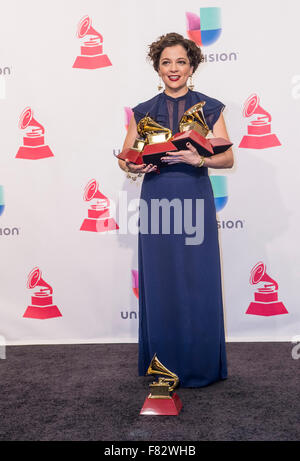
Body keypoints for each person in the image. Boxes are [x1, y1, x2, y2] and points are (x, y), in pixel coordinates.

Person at [118, 32, 233, 388]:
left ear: (192, 66)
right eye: (166, 62)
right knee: (162, 282)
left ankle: (201, 365)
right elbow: (126, 159)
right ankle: (163, 367)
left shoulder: (210, 107)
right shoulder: (143, 111)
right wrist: (134, 167)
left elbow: (228, 158)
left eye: (180, 61)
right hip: (156, 202)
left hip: (195, 200)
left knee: (198, 281)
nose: (173, 68)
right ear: (157, 67)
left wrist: (199, 157)